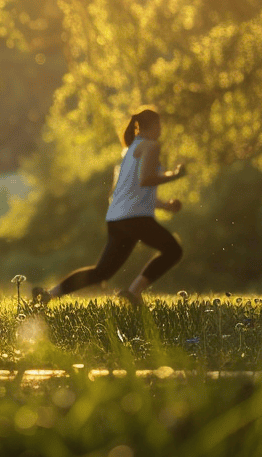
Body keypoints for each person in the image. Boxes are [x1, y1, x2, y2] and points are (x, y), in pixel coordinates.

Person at [32, 107, 186, 308]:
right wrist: (174, 175)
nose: (161, 129)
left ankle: (49, 295)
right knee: (173, 250)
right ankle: (133, 293)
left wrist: (165, 205)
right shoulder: (150, 146)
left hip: (118, 218)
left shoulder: (130, 150)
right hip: (135, 218)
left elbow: (133, 190)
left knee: (102, 272)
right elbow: (146, 179)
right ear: (155, 125)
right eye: (160, 125)